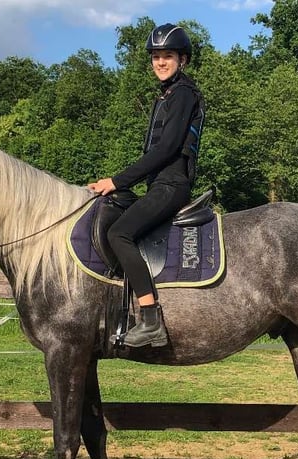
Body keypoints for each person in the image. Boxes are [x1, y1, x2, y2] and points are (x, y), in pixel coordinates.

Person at [88, 23, 205, 348]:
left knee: (119, 234)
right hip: (158, 184)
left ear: (183, 59)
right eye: (156, 57)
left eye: (167, 56)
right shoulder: (167, 95)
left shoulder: (182, 93)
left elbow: (166, 150)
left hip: (171, 184)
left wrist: (118, 181)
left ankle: (151, 319)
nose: (160, 62)